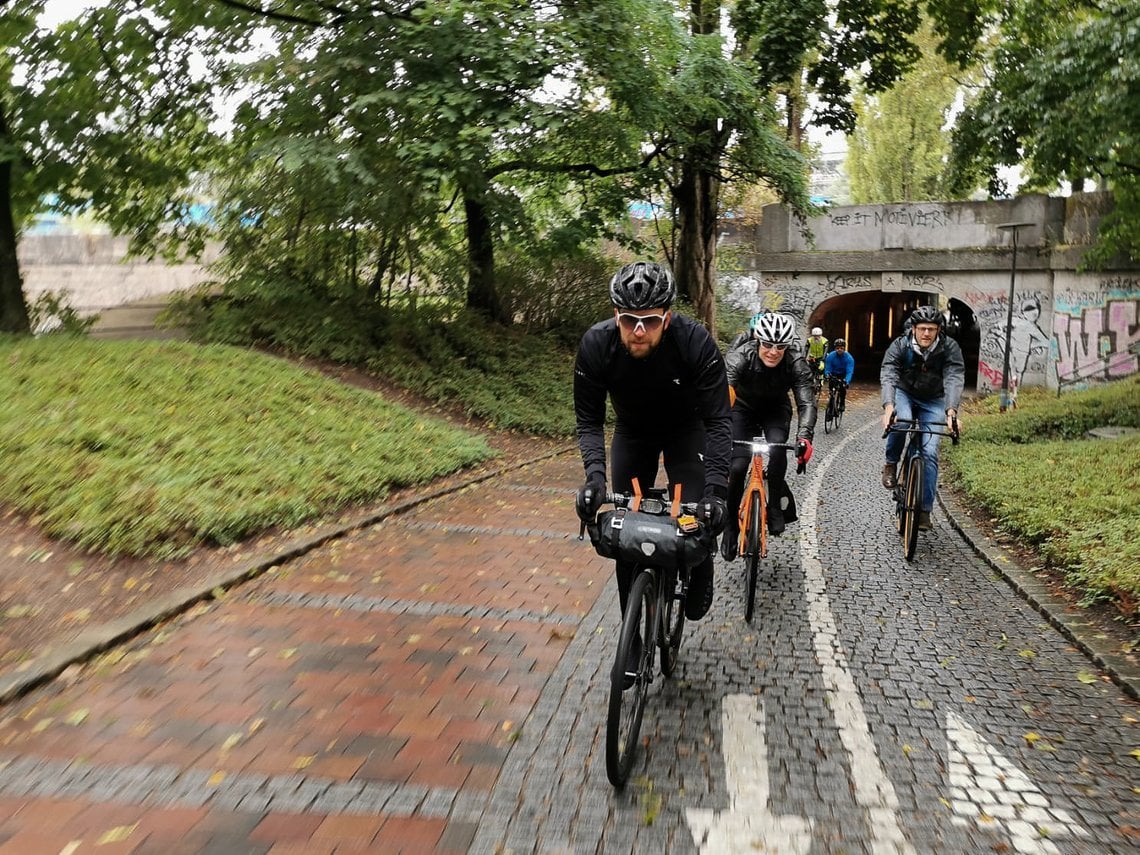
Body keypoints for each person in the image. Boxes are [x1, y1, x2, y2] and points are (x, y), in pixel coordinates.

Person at [573, 261, 731, 628]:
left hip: (686, 430)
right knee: (625, 530)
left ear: (668, 317)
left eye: (651, 321)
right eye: (629, 320)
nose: (639, 331)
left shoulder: (695, 342)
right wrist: (595, 480)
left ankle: (700, 564)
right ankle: (633, 635)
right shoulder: (597, 345)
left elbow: (719, 420)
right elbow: (589, 420)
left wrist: (716, 493)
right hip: (633, 431)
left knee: (696, 519)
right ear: (616, 316)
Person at [721, 312, 816, 558]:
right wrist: (716, 428)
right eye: (767, 344)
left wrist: (804, 437)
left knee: (777, 446)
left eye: (780, 346)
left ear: (788, 346)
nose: (773, 351)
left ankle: (774, 506)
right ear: (757, 341)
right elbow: (723, 394)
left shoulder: (796, 362)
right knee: (738, 466)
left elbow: (806, 402)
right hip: (742, 408)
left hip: (775, 409)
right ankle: (731, 524)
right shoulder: (741, 356)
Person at [879, 305, 966, 530]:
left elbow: (954, 377)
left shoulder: (950, 348)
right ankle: (891, 463)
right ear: (914, 329)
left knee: (929, 453)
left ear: (938, 330)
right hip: (904, 393)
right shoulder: (900, 345)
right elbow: (889, 374)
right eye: (922, 329)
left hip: (934, 399)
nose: (927, 333)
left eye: (932, 329)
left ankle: (924, 510)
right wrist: (889, 407)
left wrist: (951, 411)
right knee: (903, 421)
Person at [823, 337, 855, 411]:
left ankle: (842, 403)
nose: (839, 350)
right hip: (833, 373)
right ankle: (831, 407)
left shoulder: (849, 358)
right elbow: (828, 367)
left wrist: (847, 381)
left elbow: (849, 371)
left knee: (842, 388)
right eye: (837, 348)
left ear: (844, 348)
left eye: (841, 348)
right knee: (831, 390)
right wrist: (827, 374)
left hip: (843, 374)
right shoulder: (830, 356)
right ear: (835, 348)